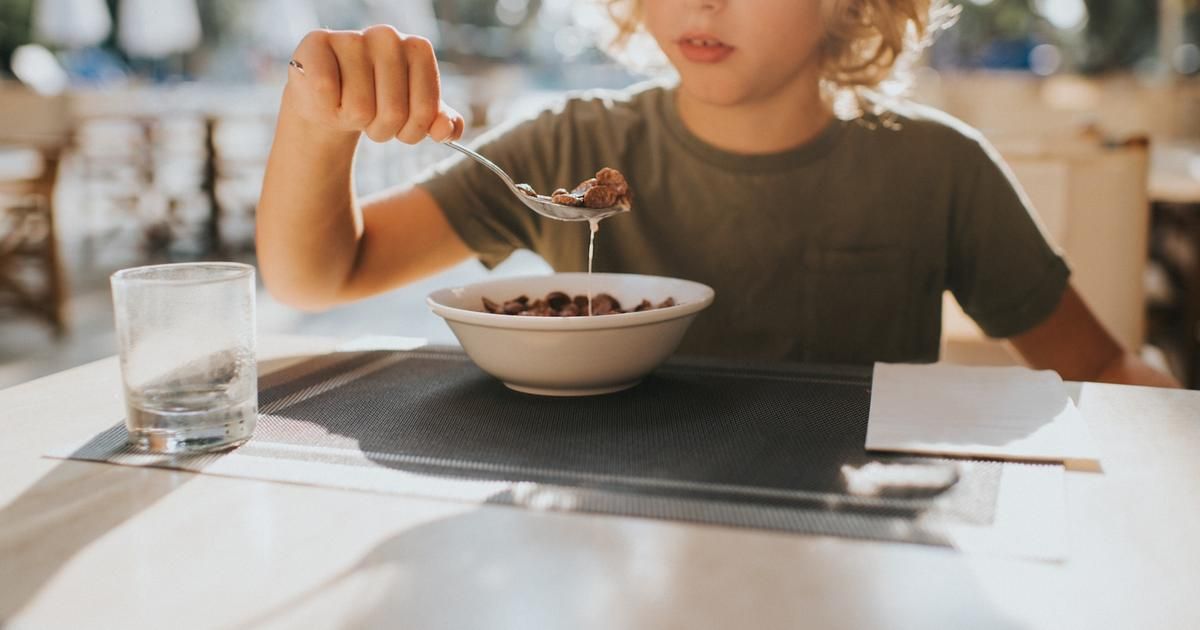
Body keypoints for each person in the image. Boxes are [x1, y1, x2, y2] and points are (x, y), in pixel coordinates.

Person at [256, 0, 1179, 388]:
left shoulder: (939, 172)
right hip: (608, 530)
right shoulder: (572, 145)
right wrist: (316, 118)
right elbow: (322, 276)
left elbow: (1102, 374)